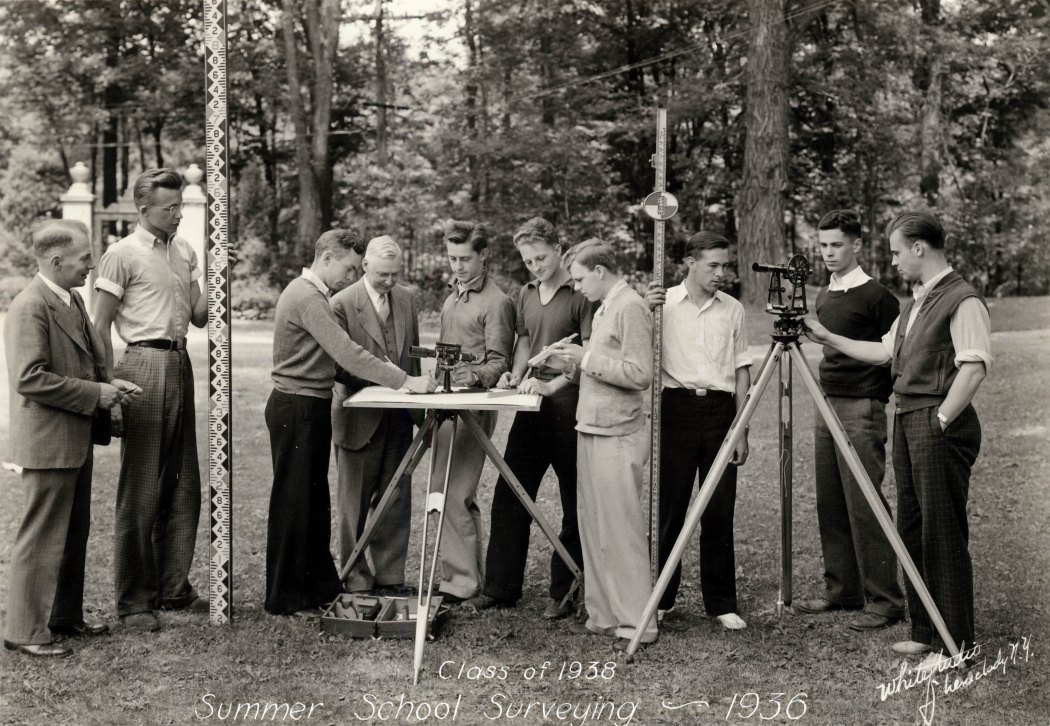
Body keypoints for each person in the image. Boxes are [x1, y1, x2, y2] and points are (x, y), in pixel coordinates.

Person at [804, 210, 991, 674]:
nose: (893, 260)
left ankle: (956, 646)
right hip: (909, 418)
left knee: (942, 532)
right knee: (911, 527)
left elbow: (974, 366)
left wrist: (943, 418)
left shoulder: (961, 299)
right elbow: (882, 351)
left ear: (919, 248)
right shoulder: (917, 302)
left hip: (935, 420)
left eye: (895, 251)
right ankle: (926, 632)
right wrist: (826, 335)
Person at [265, 230, 431, 617]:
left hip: (311, 406)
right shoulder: (308, 296)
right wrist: (403, 379)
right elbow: (347, 353)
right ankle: (286, 598)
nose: (351, 275)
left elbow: (338, 364)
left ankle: (317, 587)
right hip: (297, 407)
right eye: (349, 267)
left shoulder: (315, 294)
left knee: (312, 503)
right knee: (295, 504)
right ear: (326, 257)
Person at [4, 220, 141, 657]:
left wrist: (111, 387)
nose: (92, 264)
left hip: (74, 435)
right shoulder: (29, 305)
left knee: (72, 532)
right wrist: (96, 394)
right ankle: (24, 631)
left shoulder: (73, 298)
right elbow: (30, 378)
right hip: (48, 440)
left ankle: (63, 618)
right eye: (85, 257)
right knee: (42, 535)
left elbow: (89, 357)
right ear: (56, 260)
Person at [93, 168, 208, 632]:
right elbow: (99, 325)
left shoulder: (184, 250)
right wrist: (108, 388)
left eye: (181, 205)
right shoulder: (120, 255)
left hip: (180, 363)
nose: (179, 213)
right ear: (143, 210)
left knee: (184, 485)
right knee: (141, 487)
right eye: (170, 207)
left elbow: (199, 317)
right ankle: (134, 602)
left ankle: (173, 587)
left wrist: (220, 273)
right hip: (141, 365)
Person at [466, 218, 594, 619]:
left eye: (541, 257)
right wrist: (515, 375)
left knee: (575, 503)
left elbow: (587, 359)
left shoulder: (580, 295)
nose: (535, 266)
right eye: (527, 261)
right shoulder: (525, 294)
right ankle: (501, 588)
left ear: (559, 249)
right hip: (530, 408)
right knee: (510, 495)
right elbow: (523, 344)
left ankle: (565, 590)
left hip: (569, 411)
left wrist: (553, 381)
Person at [795, 210, 906, 631]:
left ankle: (886, 600)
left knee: (864, 501)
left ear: (857, 245)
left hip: (861, 407)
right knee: (832, 501)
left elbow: (893, 353)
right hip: (828, 403)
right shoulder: (826, 294)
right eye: (822, 245)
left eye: (836, 245)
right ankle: (843, 590)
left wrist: (874, 400)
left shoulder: (877, 296)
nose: (828, 253)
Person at [548, 239, 657, 652]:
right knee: (592, 524)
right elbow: (597, 365)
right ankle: (603, 615)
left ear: (599, 270)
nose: (576, 287)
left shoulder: (630, 306)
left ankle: (637, 623)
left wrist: (586, 359)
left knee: (620, 529)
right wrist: (569, 363)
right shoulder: (603, 306)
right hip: (590, 426)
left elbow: (639, 373)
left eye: (578, 278)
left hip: (618, 432)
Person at [643, 231, 751, 631]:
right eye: (713, 265)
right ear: (690, 261)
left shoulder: (734, 309)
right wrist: (643, 307)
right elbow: (634, 347)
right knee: (669, 508)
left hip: (722, 411)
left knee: (720, 508)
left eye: (725, 265)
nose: (721, 273)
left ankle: (721, 602)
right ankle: (661, 598)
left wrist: (741, 428)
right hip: (676, 408)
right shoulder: (662, 303)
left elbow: (742, 371)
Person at [330, 235, 432, 595]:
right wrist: (389, 380)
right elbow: (339, 365)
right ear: (365, 266)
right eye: (383, 275)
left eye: (395, 275)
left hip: (400, 419)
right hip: (359, 419)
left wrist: (421, 412)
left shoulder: (405, 299)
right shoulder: (341, 303)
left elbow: (413, 358)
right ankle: (355, 578)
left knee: (396, 497)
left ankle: (390, 577)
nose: (390, 282)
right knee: (353, 505)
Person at [428, 220, 515, 604]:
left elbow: (500, 362)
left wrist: (473, 376)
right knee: (445, 491)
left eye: (465, 258)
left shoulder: (497, 302)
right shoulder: (454, 295)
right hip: (444, 405)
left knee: (453, 493)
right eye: (452, 258)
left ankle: (461, 584)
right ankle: (461, 577)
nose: (458, 266)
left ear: (483, 256)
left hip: (472, 408)